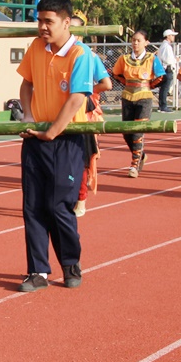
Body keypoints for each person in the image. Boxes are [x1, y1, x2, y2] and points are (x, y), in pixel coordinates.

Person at [15, 0, 93, 292]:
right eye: (39, 21)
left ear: (66, 22)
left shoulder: (80, 54)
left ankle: (70, 263)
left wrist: (53, 131)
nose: (42, 27)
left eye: (48, 21)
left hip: (67, 139)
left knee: (59, 205)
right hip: (36, 137)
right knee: (33, 206)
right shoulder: (36, 47)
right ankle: (37, 271)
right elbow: (26, 83)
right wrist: (28, 117)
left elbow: (77, 98)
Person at [68, 13, 110, 217]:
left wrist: (85, 91)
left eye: (75, 30)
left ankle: (81, 199)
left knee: (82, 158)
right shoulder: (57, 53)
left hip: (82, 112)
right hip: (59, 110)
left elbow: (106, 83)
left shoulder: (89, 55)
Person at [110, 30, 164, 178]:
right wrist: (127, 83)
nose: (135, 43)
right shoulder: (124, 58)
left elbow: (161, 76)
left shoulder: (151, 58)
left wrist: (149, 86)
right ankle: (141, 155)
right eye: (133, 40)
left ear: (146, 42)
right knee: (126, 131)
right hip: (127, 96)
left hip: (144, 97)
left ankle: (134, 165)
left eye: (139, 40)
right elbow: (115, 74)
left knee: (138, 131)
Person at [157, 28, 178, 112]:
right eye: (172, 35)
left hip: (164, 69)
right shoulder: (166, 46)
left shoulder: (164, 45)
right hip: (167, 69)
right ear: (168, 36)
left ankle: (162, 105)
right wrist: (175, 60)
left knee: (163, 88)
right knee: (165, 88)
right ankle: (163, 106)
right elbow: (168, 60)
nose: (173, 37)